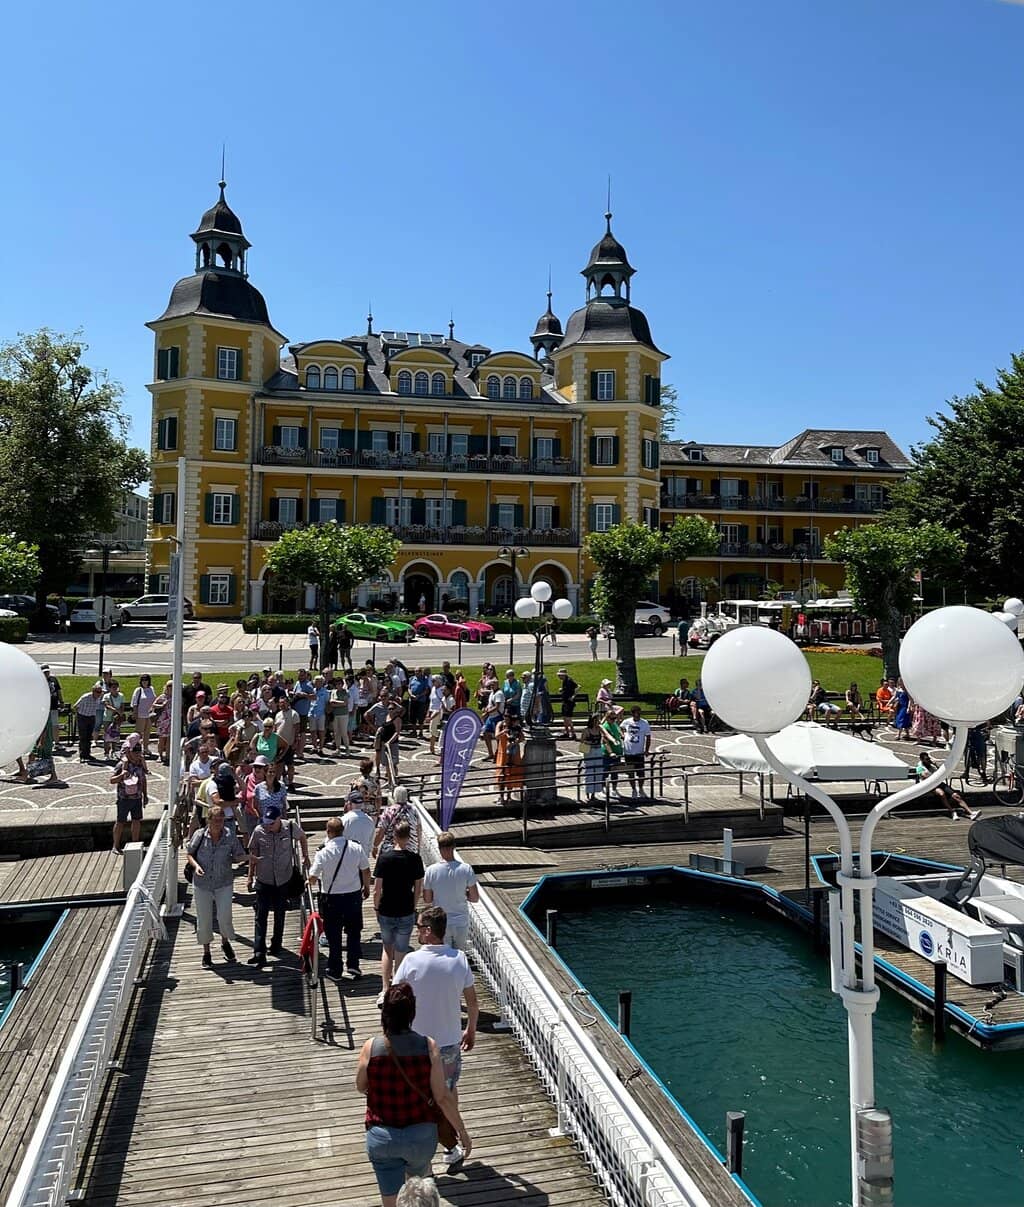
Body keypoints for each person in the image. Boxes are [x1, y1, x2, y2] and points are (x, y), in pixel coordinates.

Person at [356, 982, 471, 1207]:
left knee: (390, 1201)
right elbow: (442, 1097)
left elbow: (361, 1086)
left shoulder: (371, 1047)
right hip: (420, 1137)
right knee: (417, 1195)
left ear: (385, 1012)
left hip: (382, 1137)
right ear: (412, 1013)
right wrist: (462, 1131)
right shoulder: (429, 1046)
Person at [394, 905, 478, 1172]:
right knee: (448, 1096)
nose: (416, 931)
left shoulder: (410, 961)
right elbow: (473, 1003)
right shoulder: (459, 959)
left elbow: (394, 1000)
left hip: (416, 1045)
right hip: (450, 1042)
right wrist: (471, 1029)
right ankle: (451, 1147)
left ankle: (426, 1155)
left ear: (428, 931)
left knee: (418, 1098)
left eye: (419, 927)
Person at [308, 815, 371, 979]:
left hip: (332, 899)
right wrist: (366, 888)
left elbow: (313, 877)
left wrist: (308, 882)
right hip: (353, 896)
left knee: (333, 935)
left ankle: (335, 969)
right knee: (354, 932)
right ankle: (353, 965)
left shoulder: (323, 852)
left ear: (328, 832)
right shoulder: (356, 848)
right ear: (343, 830)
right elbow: (365, 870)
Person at [246, 803, 308, 967]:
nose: (268, 825)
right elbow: (253, 853)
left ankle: (276, 944)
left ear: (279, 819)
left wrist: (305, 856)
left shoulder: (290, 827)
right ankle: (259, 951)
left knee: (280, 914)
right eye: (266, 822)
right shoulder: (259, 831)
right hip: (264, 879)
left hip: (283, 879)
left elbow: (302, 837)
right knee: (261, 916)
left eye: (271, 823)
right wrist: (250, 877)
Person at [186, 804, 246, 967]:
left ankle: (225, 942)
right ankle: (206, 952)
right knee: (204, 919)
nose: (219, 823)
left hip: (223, 882)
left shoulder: (230, 836)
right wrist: (196, 866)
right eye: (216, 820)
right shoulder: (199, 835)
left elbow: (237, 856)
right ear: (209, 820)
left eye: (222, 820)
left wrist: (248, 857)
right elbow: (190, 853)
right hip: (202, 884)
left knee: (224, 916)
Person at [373, 819, 424, 1006]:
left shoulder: (384, 858)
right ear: (408, 837)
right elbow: (418, 888)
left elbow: (377, 889)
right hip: (406, 910)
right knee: (401, 951)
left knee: (387, 949)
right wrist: (413, 905)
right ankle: (397, 989)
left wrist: (376, 907)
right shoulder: (415, 859)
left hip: (386, 909)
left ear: (393, 835)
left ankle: (385, 989)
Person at [422, 833, 478, 951]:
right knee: (460, 954)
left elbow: (427, 899)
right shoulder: (466, 869)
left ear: (439, 848)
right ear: (454, 846)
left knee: (444, 955)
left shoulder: (431, 871)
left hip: (440, 922)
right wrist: (464, 893)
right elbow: (474, 898)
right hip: (461, 920)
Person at [110, 736, 148, 853]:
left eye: (139, 753)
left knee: (136, 821)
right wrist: (122, 775)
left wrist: (145, 795)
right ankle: (115, 846)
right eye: (135, 753)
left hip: (137, 798)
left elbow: (143, 779)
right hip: (124, 798)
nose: (137, 755)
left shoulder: (140, 763)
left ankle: (135, 845)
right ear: (129, 752)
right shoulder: (121, 765)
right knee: (121, 821)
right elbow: (111, 780)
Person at [917, 751, 980, 821]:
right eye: (927, 759)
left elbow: (942, 773)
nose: (929, 760)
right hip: (929, 785)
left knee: (956, 795)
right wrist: (934, 775)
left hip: (939, 783)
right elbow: (925, 776)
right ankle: (952, 812)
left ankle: (971, 813)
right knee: (942, 794)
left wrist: (936, 765)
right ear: (922, 760)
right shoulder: (919, 767)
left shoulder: (931, 766)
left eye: (929, 758)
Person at [374, 785, 420, 855]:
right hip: (411, 849)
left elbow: (380, 832)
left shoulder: (388, 811)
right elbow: (419, 830)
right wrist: (418, 847)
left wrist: (375, 846)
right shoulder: (414, 810)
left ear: (394, 796)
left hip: (391, 849)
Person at [621, 705, 652, 800]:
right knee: (630, 773)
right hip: (628, 751)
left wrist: (646, 750)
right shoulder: (627, 721)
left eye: (639, 714)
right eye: (635, 714)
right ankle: (633, 789)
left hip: (639, 752)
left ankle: (641, 788)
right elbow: (620, 727)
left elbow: (648, 737)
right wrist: (623, 735)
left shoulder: (644, 723)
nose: (637, 716)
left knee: (641, 773)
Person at [494, 713, 524, 804]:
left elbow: (522, 737)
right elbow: (496, 736)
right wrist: (504, 732)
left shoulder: (515, 726)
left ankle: (509, 796)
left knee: (511, 773)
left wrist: (515, 742)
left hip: (513, 753)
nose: (506, 721)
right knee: (501, 773)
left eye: (508, 719)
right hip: (502, 751)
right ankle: (501, 796)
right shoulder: (500, 724)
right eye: (505, 718)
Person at [578, 713, 605, 804]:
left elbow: (605, 735)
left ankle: (594, 793)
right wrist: (585, 750)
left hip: (598, 750)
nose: (598, 721)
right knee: (589, 773)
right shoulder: (586, 730)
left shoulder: (599, 729)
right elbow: (582, 743)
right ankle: (588, 794)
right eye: (597, 720)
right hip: (590, 751)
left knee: (598, 772)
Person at [74, 683, 104, 763]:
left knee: (89, 736)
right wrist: (78, 716)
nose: (99, 694)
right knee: (83, 737)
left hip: (91, 717)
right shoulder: (86, 697)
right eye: (98, 692)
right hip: (82, 717)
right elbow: (76, 706)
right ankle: (82, 755)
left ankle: (87, 754)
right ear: (93, 691)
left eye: (100, 692)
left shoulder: (99, 697)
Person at [600, 706, 624, 795]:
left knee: (615, 772)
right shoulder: (605, 726)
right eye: (612, 718)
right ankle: (602, 789)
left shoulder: (615, 724)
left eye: (615, 718)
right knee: (605, 772)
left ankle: (614, 789)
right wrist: (610, 752)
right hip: (607, 753)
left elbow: (619, 732)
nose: (614, 719)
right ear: (607, 718)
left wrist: (623, 736)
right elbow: (605, 741)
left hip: (617, 752)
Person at [480, 680, 505, 761]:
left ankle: (498, 753)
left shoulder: (499, 694)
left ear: (497, 685)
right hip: (491, 717)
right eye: (491, 685)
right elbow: (490, 704)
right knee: (485, 733)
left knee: (498, 736)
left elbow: (497, 707)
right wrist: (486, 708)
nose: (492, 686)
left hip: (497, 717)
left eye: (493, 685)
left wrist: (486, 713)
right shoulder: (492, 693)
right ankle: (490, 753)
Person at [101, 679, 125, 759]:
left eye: (116, 687)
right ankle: (106, 753)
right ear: (109, 688)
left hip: (116, 719)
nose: (115, 689)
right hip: (107, 718)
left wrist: (120, 713)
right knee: (107, 736)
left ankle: (114, 751)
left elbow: (122, 706)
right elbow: (107, 705)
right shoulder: (106, 696)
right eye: (113, 687)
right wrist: (116, 710)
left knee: (115, 736)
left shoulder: (121, 696)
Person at [42, 665, 63, 750]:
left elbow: (58, 691)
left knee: (55, 725)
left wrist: (61, 701)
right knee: (44, 725)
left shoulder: (54, 679)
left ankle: (57, 743)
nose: (47, 673)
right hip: (43, 707)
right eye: (45, 672)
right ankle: (43, 742)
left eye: (48, 672)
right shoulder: (39, 680)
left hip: (54, 705)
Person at [308, 674, 329, 756]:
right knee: (313, 731)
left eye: (319, 682)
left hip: (321, 713)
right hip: (312, 713)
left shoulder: (325, 692)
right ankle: (315, 747)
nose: (317, 683)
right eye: (316, 682)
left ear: (322, 682)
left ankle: (321, 748)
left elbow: (327, 703)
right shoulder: (312, 690)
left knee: (321, 731)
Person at [556, 668, 578, 740]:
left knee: (568, 718)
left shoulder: (569, 680)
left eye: (560, 675)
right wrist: (562, 690)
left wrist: (573, 696)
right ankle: (567, 732)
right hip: (565, 701)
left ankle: (573, 733)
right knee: (564, 718)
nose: (559, 677)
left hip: (569, 702)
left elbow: (578, 687)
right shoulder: (564, 681)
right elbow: (567, 689)